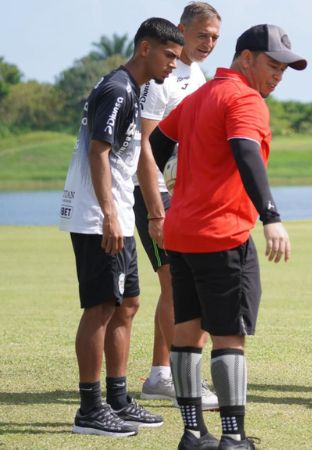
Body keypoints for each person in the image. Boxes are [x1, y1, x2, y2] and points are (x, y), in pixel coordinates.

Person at [149, 23, 306, 449]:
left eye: (284, 70)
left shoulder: (199, 96)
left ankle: (193, 433)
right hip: (222, 235)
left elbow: (154, 146)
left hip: (181, 234)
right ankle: (233, 438)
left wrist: (159, 202)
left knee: (187, 331)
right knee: (228, 334)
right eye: (272, 65)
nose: (277, 75)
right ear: (246, 58)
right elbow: (246, 151)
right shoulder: (244, 98)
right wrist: (270, 215)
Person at [58, 18, 183, 437]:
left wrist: (139, 213)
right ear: (144, 48)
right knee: (101, 306)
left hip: (121, 214)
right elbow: (99, 152)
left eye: (177, 59)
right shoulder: (115, 88)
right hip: (99, 217)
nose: (173, 65)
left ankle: (117, 398)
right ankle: (90, 410)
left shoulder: (138, 89)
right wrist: (110, 213)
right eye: (168, 55)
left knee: (127, 303)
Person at [134, 1, 221, 411]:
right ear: (182, 30)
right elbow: (146, 147)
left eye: (215, 37)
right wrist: (157, 206)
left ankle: (170, 372)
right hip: (155, 195)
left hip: (185, 193)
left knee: (186, 281)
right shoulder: (160, 78)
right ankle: (163, 374)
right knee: (174, 280)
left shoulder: (197, 73)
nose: (208, 43)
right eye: (202, 34)